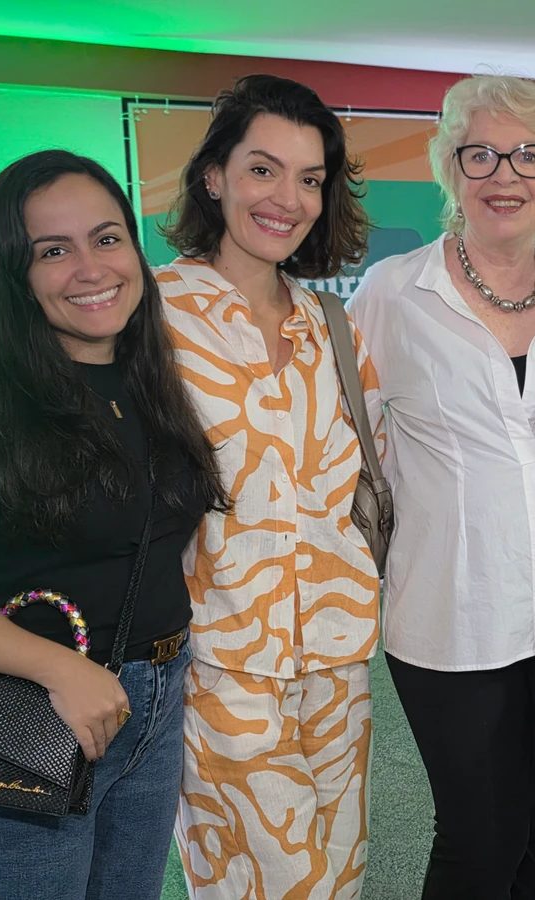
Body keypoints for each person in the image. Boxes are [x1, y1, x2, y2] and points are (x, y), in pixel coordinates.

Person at [0, 150, 228, 900]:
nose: (90, 269)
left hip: (156, 701)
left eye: (106, 238)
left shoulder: (154, 378)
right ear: (14, 274)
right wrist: (62, 672)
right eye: (53, 251)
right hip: (33, 708)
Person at [347, 74, 535, 900]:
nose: (505, 175)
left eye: (528, 155)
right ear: (451, 168)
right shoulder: (393, 293)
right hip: (451, 615)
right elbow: (342, 442)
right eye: (481, 155)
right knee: (480, 839)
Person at [156, 74, 384, 900]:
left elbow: (370, 475)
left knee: (340, 879)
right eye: (263, 169)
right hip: (219, 665)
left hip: (338, 661)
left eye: (310, 179)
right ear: (213, 176)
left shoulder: (333, 328)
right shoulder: (152, 315)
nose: (288, 198)